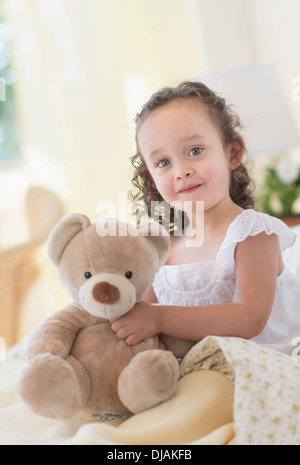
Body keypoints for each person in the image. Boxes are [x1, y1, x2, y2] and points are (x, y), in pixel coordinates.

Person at [111, 80, 299, 355]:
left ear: (231, 152)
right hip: (195, 376)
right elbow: (143, 317)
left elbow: (248, 319)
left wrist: (159, 318)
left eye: (195, 151)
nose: (181, 170)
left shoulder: (252, 233)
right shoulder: (160, 249)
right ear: (151, 179)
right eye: (163, 162)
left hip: (261, 370)